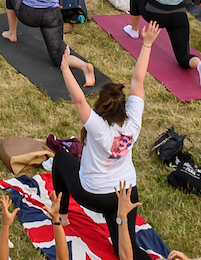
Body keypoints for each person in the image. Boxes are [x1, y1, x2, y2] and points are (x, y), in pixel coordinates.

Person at [59, 24, 153, 226]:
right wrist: (147, 44)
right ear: (124, 106)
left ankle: (62, 217)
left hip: (97, 195)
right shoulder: (133, 121)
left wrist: (66, 69)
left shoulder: (100, 128)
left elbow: (78, 101)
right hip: (127, 194)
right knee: (127, 252)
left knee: (60, 158)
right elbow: (138, 80)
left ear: (101, 104)